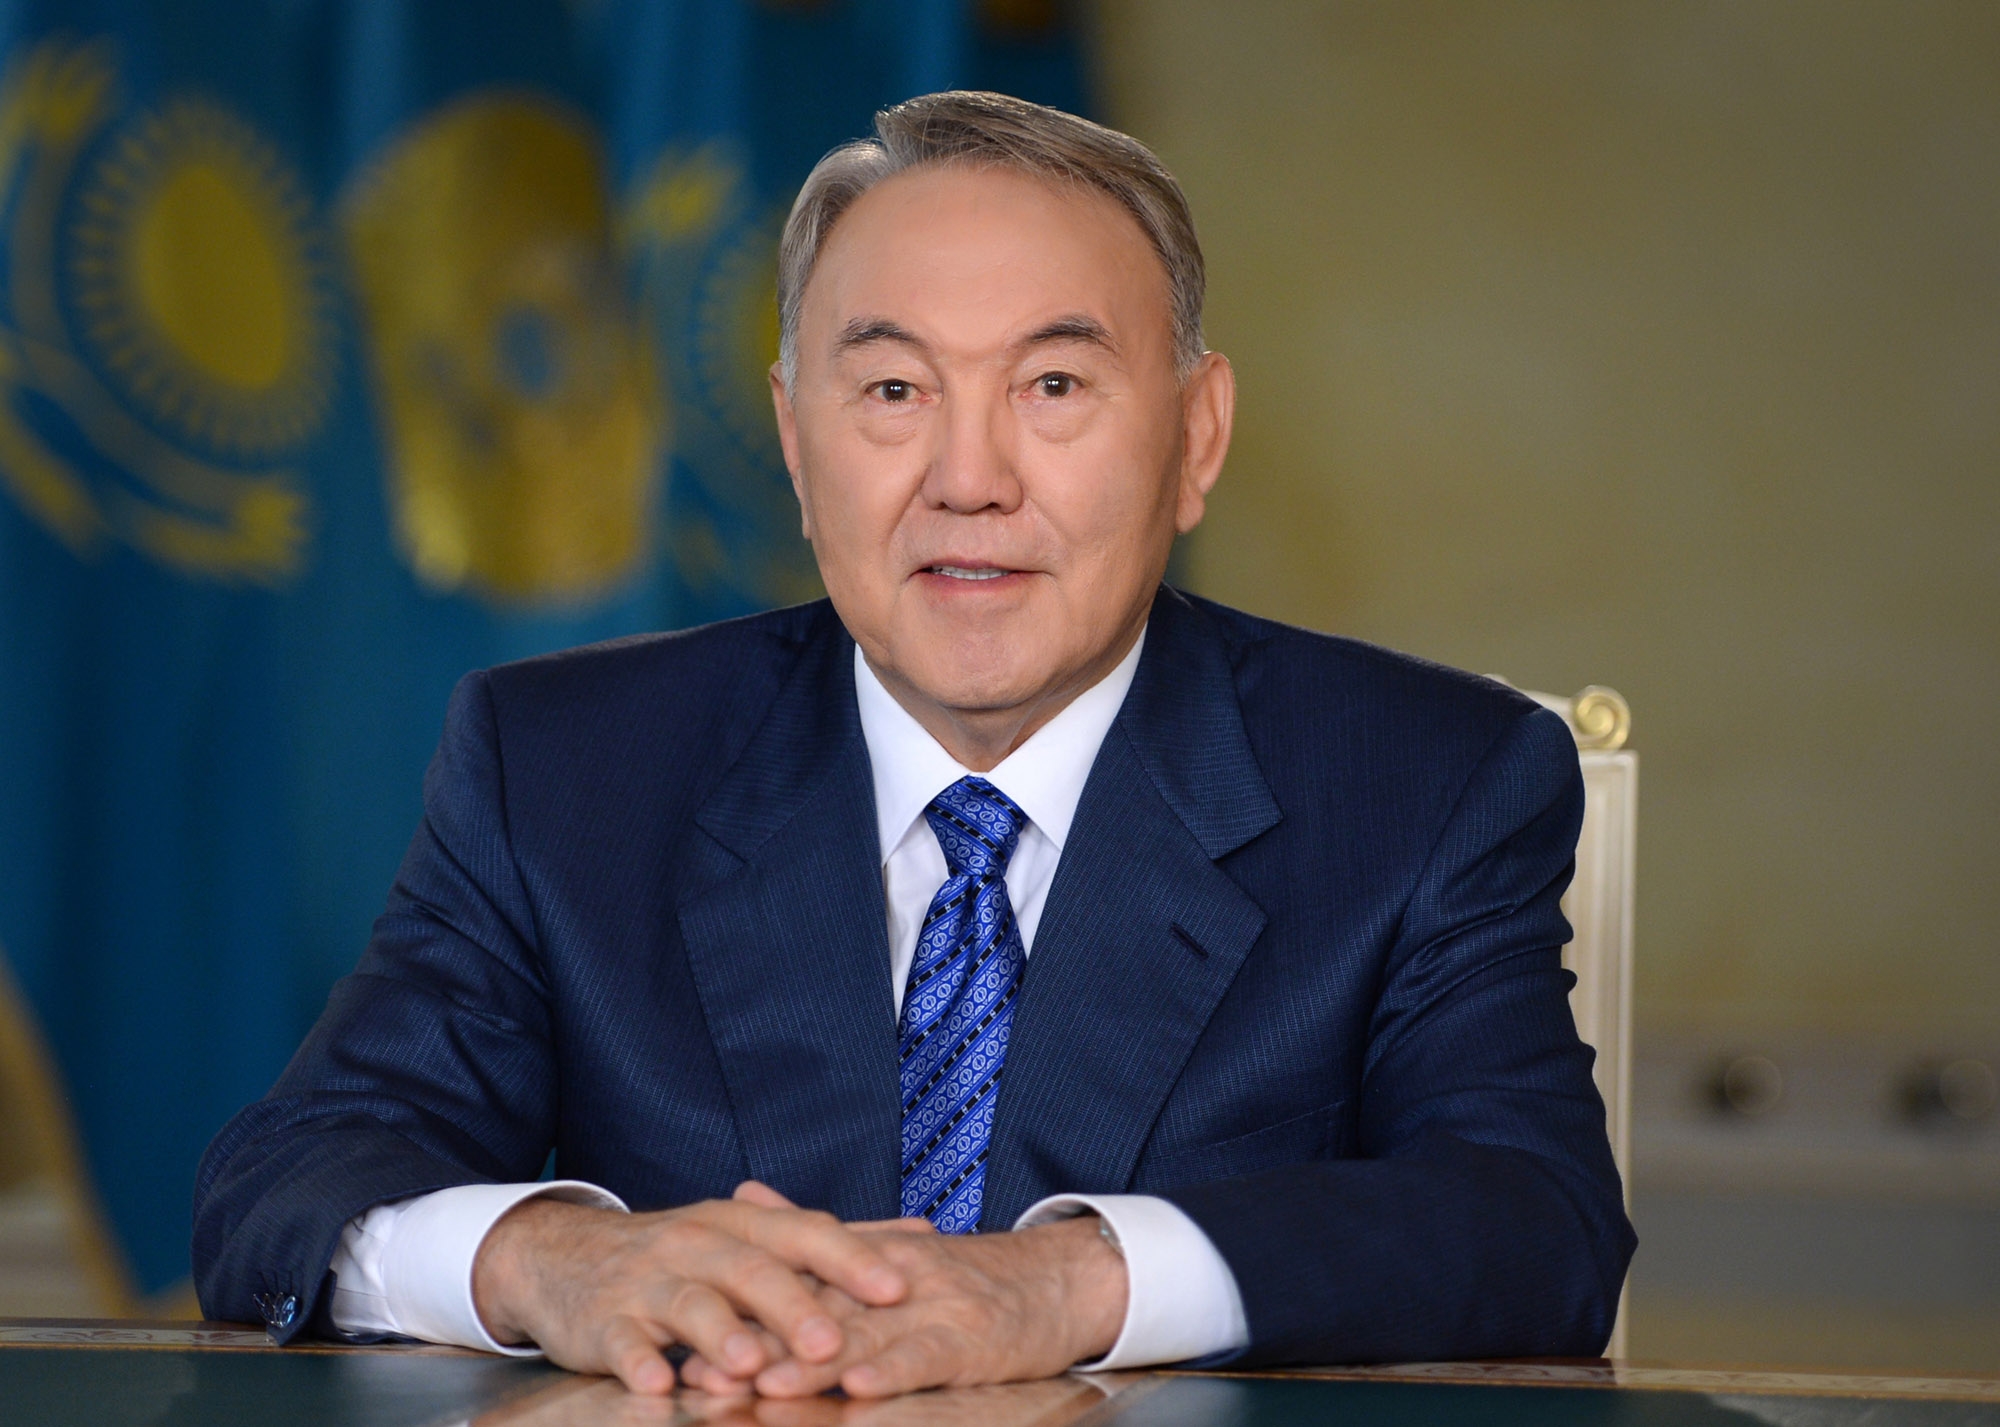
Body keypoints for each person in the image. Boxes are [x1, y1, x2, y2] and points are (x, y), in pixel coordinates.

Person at [194, 91, 1634, 1399]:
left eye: (1052, 387)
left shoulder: (1428, 784)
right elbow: (285, 1183)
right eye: (894, 391)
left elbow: (1535, 1222)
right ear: (793, 437)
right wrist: (550, 1259)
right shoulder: (564, 767)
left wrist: (1067, 1283)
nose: (968, 479)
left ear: (1197, 437)